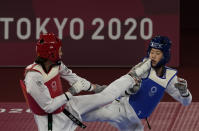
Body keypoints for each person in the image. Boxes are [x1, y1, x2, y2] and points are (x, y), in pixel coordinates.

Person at [19, 33, 150, 131]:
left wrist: (95, 88)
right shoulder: (33, 77)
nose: (61, 52)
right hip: (52, 122)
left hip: (68, 105)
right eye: (59, 50)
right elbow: (48, 107)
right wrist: (72, 92)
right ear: (51, 53)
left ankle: (134, 75)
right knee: (109, 111)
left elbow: (74, 78)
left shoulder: (56, 64)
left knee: (107, 101)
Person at [77, 36, 192, 131]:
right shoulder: (142, 68)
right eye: (151, 52)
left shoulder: (170, 77)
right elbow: (121, 85)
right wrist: (129, 90)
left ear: (165, 55)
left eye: (157, 53)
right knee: (94, 114)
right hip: (120, 109)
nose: (153, 56)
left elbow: (186, 102)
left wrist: (184, 91)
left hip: (134, 122)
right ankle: (66, 110)